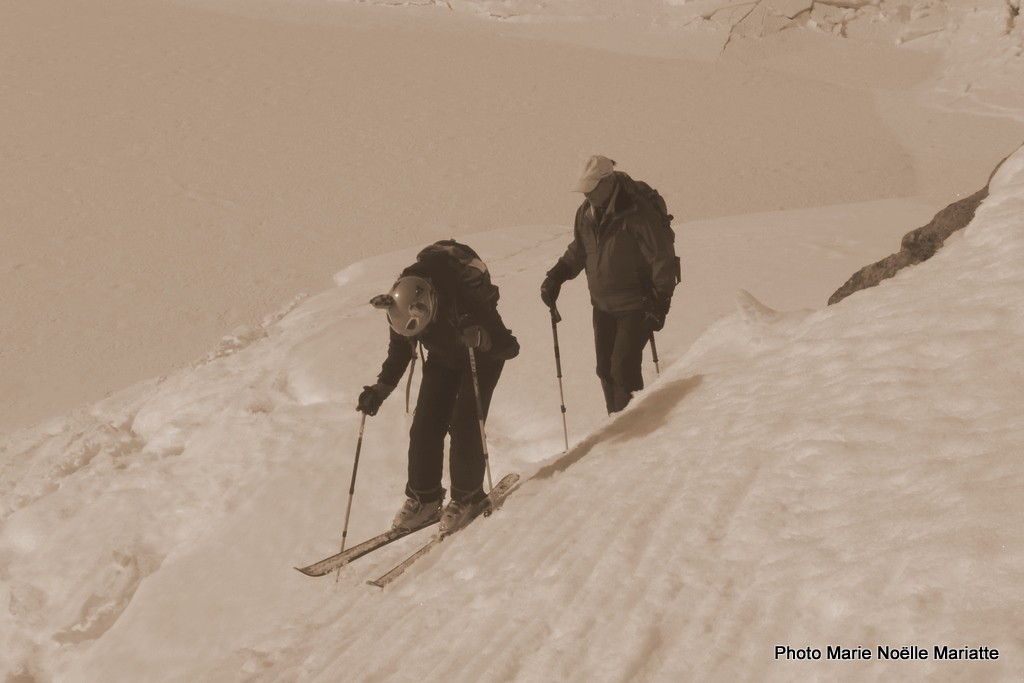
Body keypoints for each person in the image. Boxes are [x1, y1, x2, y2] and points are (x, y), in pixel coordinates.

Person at [357, 241, 519, 535]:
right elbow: (400, 352)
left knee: (465, 424)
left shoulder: (463, 295)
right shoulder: (401, 306)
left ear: (430, 303)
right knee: (424, 425)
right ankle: (425, 500)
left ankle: (468, 497)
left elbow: (509, 346)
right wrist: (380, 389)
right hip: (443, 358)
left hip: (481, 358)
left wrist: (482, 338)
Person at [540, 155, 678, 413]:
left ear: (608, 181)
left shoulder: (636, 210)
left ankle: (636, 427)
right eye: (584, 190)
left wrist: (661, 303)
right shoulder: (586, 212)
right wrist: (557, 275)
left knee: (622, 369)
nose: (587, 195)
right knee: (605, 370)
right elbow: (581, 250)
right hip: (602, 306)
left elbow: (661, 255)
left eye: (591, 189)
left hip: (637, 304)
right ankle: (618, 424)